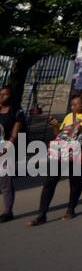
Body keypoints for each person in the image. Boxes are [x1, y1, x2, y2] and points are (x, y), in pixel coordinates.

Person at [29, 90, 82, 225]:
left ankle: (70, 209)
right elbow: (60, 135)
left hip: (78, 153)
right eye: (72, 105)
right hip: (61, 153)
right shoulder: (70, 116)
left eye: (75, 104)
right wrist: (55, 125)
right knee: (49, 182)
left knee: (74, 182)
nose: (72, 107)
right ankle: (42, 214)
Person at [0, 86, 26, 223]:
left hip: (6, 149)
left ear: (11, 96)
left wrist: (6, 148)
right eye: (0, 94)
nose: (1, 97)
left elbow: (14, 134)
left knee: (5, 182)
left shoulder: (17, 112)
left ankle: (7, 211)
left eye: (5, 95)